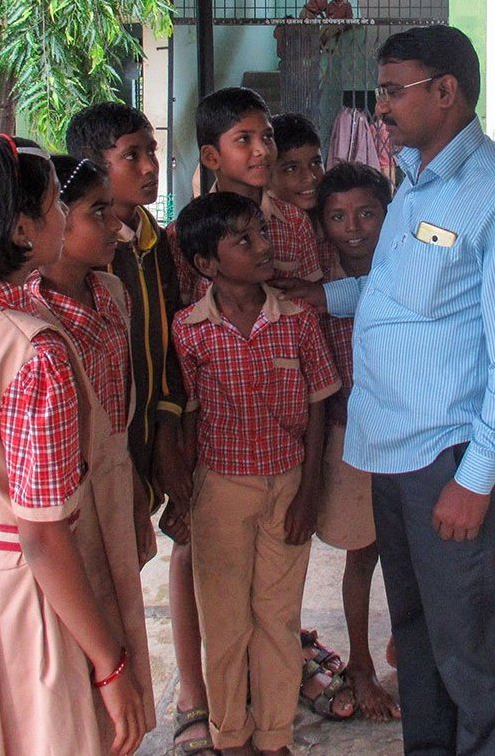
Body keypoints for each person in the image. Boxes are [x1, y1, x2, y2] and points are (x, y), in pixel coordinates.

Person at [281, 24, 495, 753]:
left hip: (451, 454)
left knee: (470, 641)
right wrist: (326, 299)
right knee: (419, 633)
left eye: (395, 90)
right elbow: (406, 292)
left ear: (445, 91)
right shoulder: (413, 176)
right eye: (381, 91)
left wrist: (475, 477)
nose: (381, 107)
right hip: (394, 453)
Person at [0, 135, 152, 756]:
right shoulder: (35, 350)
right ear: (21, 230)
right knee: (43, 730)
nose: (66, 217)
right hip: (24, 596)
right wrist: (109, 664)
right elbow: (41, 536)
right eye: (54, 206)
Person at [65, 104, 214, 756]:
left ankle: (127, 715)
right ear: (95, 167)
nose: (151, 166)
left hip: (144, 439)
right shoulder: (78, 258)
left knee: (125, 574)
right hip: (93, 458)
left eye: (151, 151)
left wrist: (169, 424)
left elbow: (168, 338)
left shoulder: (154, 241)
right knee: (94, 586)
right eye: (133, 155)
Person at [172, 192, 340, 755]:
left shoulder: (295, 319)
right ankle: (230, 735)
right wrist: (183, 494)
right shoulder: (189, 330)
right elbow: (187, 418)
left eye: (261, 233)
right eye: (243, 240)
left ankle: (274, 736)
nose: (263, 246)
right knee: (224, 625)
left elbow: (319, 403)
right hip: (219, 490)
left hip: (288, 485)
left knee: (277, 618)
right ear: (206, 265)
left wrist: (310, 491)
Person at [29, 154, 159, 569]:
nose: (115, 227)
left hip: (117, 482)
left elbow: (118, 417)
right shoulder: (31, 317)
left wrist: (134, 488)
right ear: (56, 218)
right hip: (63, 507)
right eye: (98, 213)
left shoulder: (113, 292)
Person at [311, 161, 401, 722]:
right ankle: (361, 666)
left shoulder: (404, 265)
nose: (354, 228)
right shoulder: (314, 282)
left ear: (388, 215)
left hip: (410, 429)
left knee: (414, 549)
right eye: (338, 216)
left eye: (367, 213)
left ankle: (408, 644)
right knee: (361, 553)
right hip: (349, 433)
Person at [168, 88, 322, 306]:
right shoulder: (182, 233)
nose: (262, 150)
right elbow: (182, 309)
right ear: (211, 157)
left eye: (268, 137)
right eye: (243, 139)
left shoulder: (295, 222)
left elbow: (311, 302)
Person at [268, 112, 332, 275]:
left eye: (316, 163)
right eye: (291, 168)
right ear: (267, 175)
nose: (310, 177)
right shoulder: (266, 228)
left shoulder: (332, 215)